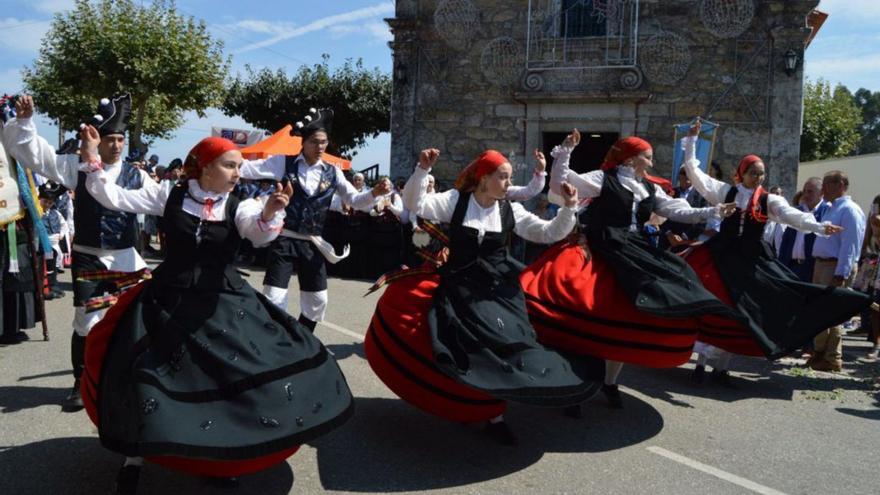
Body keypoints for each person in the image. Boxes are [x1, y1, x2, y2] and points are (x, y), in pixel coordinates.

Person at [77, 132, 354, 494]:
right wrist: (93, 160)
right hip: (166, 298)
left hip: (220, 301)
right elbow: (113, 196)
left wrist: (271, 210)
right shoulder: (170, 193)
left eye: (240, 166)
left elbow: (259, 234)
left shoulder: (240, 204)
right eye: (230, 165)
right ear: (206, 167)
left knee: (227, 381)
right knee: (140, 373)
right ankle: (134, 457)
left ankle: (223, 457)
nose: (238, 173)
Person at [365, 147, 602, 445]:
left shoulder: (511, 209)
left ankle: (495, 412)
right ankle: (480, 411)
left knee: (508, 346)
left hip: (499, 289)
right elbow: (417, 205)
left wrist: (568, 208)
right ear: (483, 178)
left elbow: (547, 232)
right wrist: (422, 170)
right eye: (503, 177)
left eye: (509, 178)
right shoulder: (455, 201)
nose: (508, 183)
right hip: (462, 286)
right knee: (469, 351)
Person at [4, 94, 158, 411]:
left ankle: (128, 379)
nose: (116, 146)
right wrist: (25, 123)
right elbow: (37, 156)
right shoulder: (77, 167)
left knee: (134, 322)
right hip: (89, 258)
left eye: (120, 140)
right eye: (109, 139)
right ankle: (81, 382)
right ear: (95, 139)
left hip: (128, 259)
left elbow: (163, 201)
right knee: (87, 323)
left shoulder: (138, 175)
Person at [680, 123, 871, 377]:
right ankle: (701, 365)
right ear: (741, 173)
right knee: (714, 308)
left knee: (741, 315)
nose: (758, 177)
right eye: (752, 172)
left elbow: (793, 216)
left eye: (761, 173)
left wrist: (820, 226)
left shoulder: (769, 200)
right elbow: (695, 173)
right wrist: (692, 141)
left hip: (749, 261)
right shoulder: (726, 191)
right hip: (720, 258)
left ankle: (722, 369)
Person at [238, 108, 390, 332]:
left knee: (318, 301)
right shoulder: (283, 162)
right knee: (273, 297)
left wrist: (375, 193)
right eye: (315, 142)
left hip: (313, 243)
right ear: (304, 142)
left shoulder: (334, 172)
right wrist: (223, 161)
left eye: (324, 142)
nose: (320, 147)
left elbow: (356, 200)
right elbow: (247, 168)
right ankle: (276, 340)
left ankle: (301, 338)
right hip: (285, 239)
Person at [808, 171, 868, 371]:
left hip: (834, 266)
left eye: (826, 185)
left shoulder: (850, 210)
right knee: (819, 311)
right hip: (822, 264)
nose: (822, 189)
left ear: (840, 185)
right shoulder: (832, 209)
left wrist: (841, 273)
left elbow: (850, 245)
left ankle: (833, 357)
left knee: (833, 312)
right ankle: (820, 352)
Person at [38, 182, 67, 300]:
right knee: (44, 267)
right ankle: (44, 288)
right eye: (45, 201)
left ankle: (53, 285)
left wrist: (61, 234)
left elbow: (64, 224)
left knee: (53, 266)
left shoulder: (56, 213)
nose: (47, 204)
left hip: (54, 246)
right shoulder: (37, 214)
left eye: (50, 202)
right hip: (42, 245)